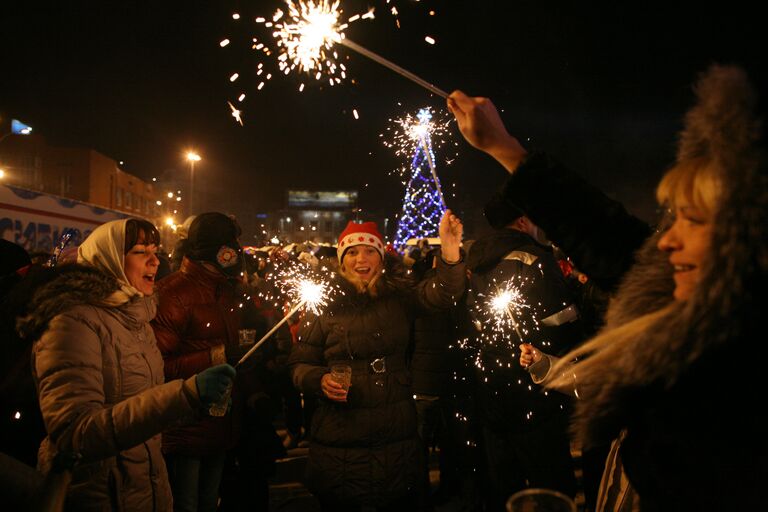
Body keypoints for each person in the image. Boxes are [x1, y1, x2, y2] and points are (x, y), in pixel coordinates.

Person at [449, 65, 767, 509]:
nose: (668, 241)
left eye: (691, 220)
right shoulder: (686, 308)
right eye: (670, 219)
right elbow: (613, 238)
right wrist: (504, 148)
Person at [17, 218, 235, 511]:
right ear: (108, 257)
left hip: (145, 487)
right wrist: (184, 394)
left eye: (155, 250)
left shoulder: (136, 318)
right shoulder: (72, 323)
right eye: (140, 251)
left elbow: (143, 404)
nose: (155, 261)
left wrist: (189, 406)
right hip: (100, 494)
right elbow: (75, 435)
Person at [288, 211, 465, 511]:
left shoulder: (400, 296)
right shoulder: (322, 306)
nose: (361, 259)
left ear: (382, 258)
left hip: (396, 435)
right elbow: (298, 365)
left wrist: (449, 251)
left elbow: (444, 294)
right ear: (342, 259)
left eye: (370, 251)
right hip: (340, 440)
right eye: (353, 252)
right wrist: (318, 380)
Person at [463, 195, 583, 509]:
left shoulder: (478, 261)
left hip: (491, 383)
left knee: (504, 480)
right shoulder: (534, 256)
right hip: (536, 383)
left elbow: (475, 320)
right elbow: (562, 318)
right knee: (550, 482)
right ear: (522, 221)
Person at [151, 212, 263, 512]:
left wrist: (251, 381)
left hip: (219, 420)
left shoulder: (225, 292)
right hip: (185, 422)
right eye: (232, 244)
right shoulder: (173, 293)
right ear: (217, 250)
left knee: (209, 501)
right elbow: (155, 366)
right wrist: (217, 356)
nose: (238, 251)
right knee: (185, 503)